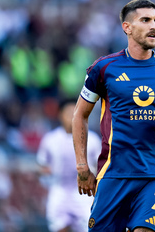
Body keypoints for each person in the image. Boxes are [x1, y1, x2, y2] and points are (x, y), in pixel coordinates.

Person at [72, 0, 155, 232]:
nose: (154, 26)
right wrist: (82, 166)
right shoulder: (104, 68)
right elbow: (79, 115)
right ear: (127, 27)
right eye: (145, 20)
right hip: (114, 172)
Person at [37, 99, 101, 232]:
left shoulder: (93, 139)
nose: (73, 116)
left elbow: (101, 165)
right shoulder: (50, 140)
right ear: (60, 115)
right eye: (69, 113)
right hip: (59, 192)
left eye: (76, 112)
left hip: (85, 196)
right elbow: (42, 165)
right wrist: (46, 174)